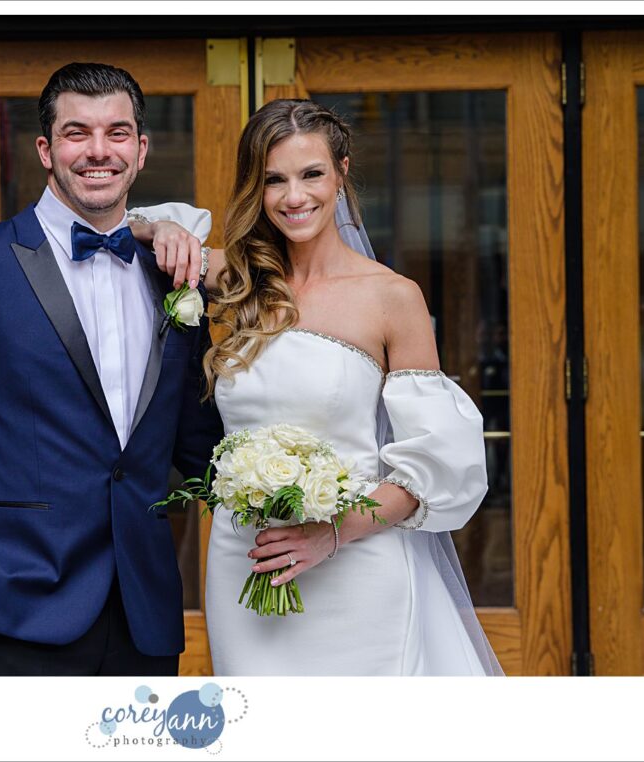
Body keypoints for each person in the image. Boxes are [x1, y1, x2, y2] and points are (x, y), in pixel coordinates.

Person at [0, 62, 223, 676]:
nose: (98, 151)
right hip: (9, 600)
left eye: (118, 133)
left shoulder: (171, 271)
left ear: (141, 150)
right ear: (46, 149)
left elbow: (196, 440)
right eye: (76, 133)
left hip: (144, 610)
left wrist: (303, 492)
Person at [147, 99, 501, 675]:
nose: (294, 197)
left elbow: (431, 468)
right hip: (247, 562)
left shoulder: (392, 297)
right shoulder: (239, 281)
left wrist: (328, 535)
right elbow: (126, 224)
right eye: (273, 180)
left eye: (311, 174)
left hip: (356, 567)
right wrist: (165, 228)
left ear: (341, 170)